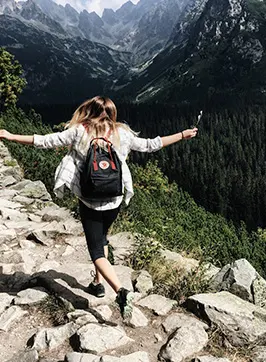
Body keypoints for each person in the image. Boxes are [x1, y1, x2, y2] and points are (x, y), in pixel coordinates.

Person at [0, 96, 198, 318]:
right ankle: (97, 282)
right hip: (114, 198)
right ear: (112, 113)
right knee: (103, 238)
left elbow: (46, 140)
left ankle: (120, 291)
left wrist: (11, 136)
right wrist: (182, 135)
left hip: (90, 201)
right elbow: (151, 145)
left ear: (89, 111)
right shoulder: (122, 132)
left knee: (96, 251)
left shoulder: (79, 131)